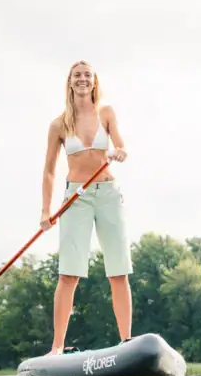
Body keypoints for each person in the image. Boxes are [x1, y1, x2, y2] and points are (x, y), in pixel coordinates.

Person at [39, 60, 132, 354]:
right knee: (69, 274)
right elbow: (50, 171)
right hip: (75, 198)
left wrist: (120, 151)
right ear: (70, 82)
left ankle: (126, 342)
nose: (82, 79)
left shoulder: (106, 112)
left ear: (94, 81)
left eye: (87, 75)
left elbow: (121, 145)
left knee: (119, 271)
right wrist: (45, 210)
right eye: (77, 75)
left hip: (107, 193)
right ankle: (56, 348)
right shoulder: (58, 124)